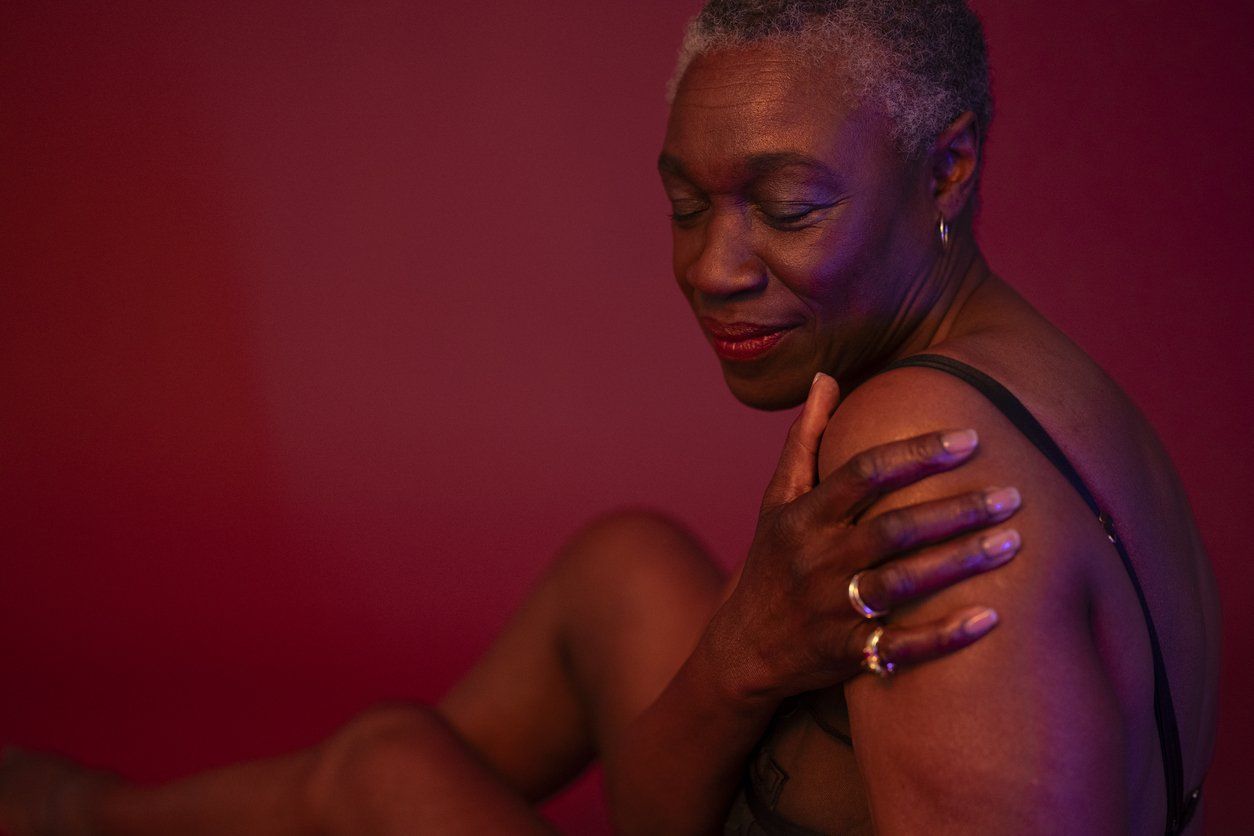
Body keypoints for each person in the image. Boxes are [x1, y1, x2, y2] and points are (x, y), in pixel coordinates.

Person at [0, 0, 1219, 834]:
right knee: (621, 565)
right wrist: (740, 650)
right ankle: (87, 813)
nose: (711, 268)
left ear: (947, 170)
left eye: (788, 205)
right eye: (687, 202)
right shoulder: (1049, 378)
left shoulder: (922, 466)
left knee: (389, 768)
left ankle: (82, 815)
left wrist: (741, 657)